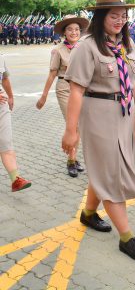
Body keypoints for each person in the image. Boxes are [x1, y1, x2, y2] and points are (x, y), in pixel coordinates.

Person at [62, 0, 135, 261]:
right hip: (98, 114)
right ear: (100, 17)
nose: (120, 20)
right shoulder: (87, 47)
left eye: (123, 15)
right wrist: (71, 131)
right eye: (114, 15)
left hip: (124, 114)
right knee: (112, 175)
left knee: (106, 169)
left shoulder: (128, 46)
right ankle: (126, 237)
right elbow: (76, 90)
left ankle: (89, 213)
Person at [36, 15, 89, 177]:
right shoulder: (58, 50)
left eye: (77, 29)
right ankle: (71, 161)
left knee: (80, 126)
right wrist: (44, 96)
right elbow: (52, 74)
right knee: (73, 125)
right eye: (70, 29)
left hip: (82, 90)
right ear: (64, 32)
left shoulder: (85, 48)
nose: (74, 32)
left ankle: (74, 158)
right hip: (65, 89)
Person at [0, 54, 31, 192]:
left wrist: (11, 96)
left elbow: (4, 78)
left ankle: (15, 180)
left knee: (6, 142)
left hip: (1, 104)